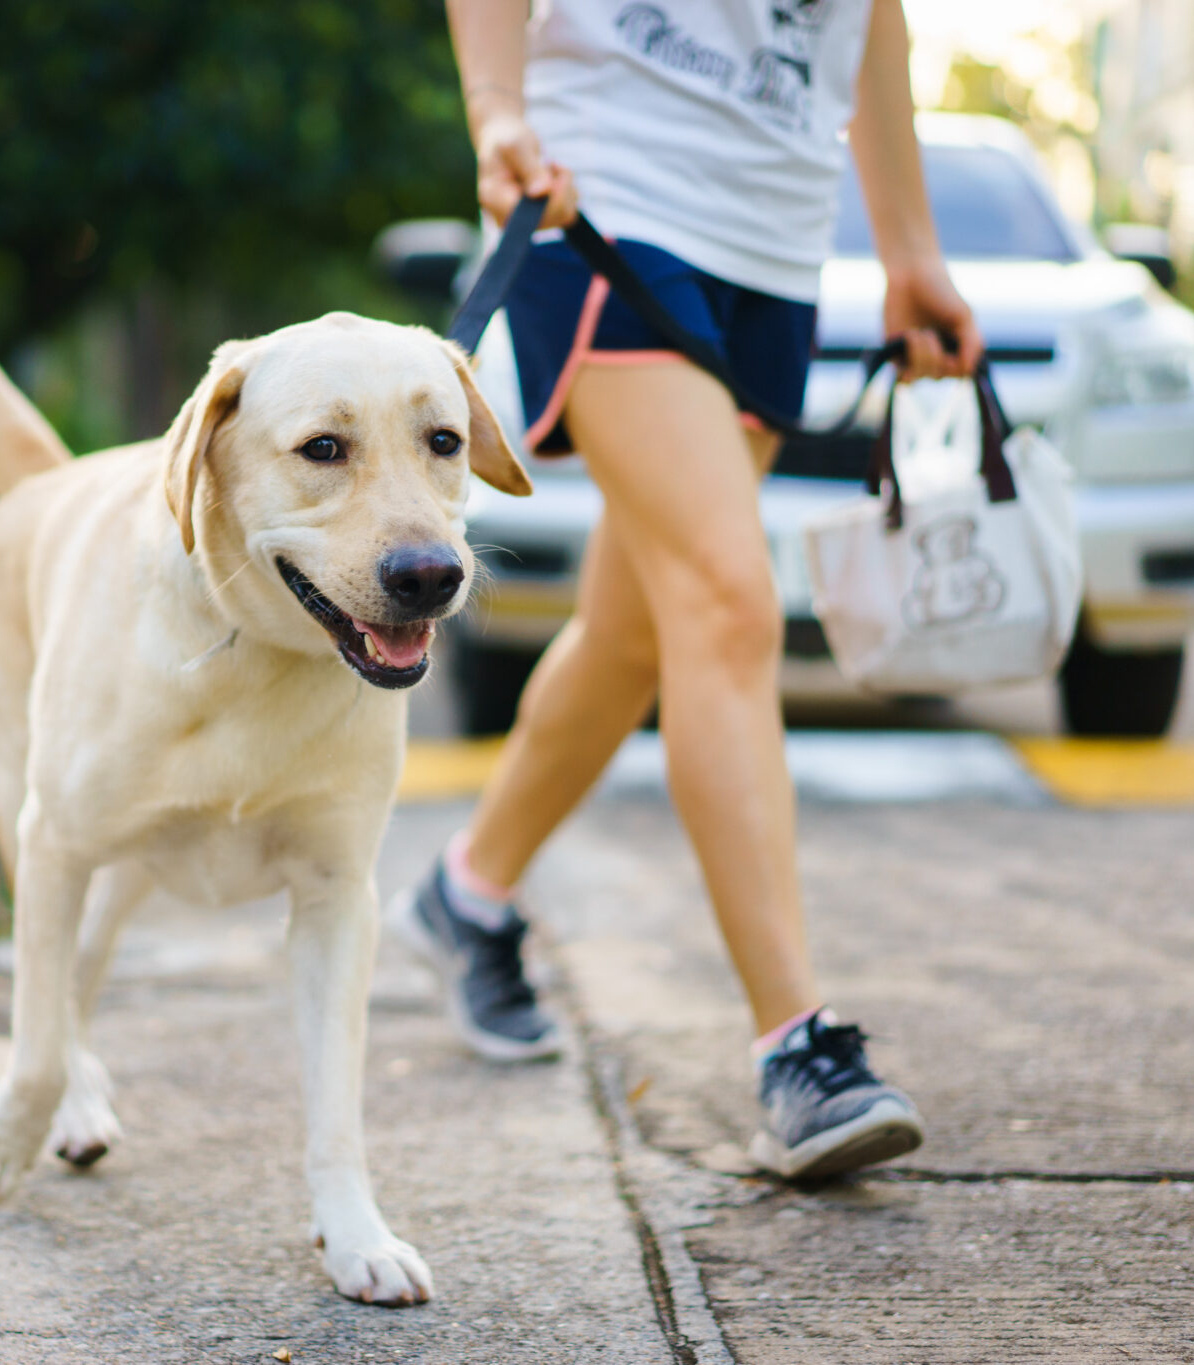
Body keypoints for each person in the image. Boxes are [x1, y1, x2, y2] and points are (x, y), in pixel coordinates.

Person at [392, 0, 982, 1181]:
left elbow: (870, 16)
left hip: (771, 236)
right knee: (725, 600)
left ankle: (468, 893)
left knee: (635, 633)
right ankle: (796, 1052)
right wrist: (493, 107)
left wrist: (906, 246)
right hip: (604, 196)